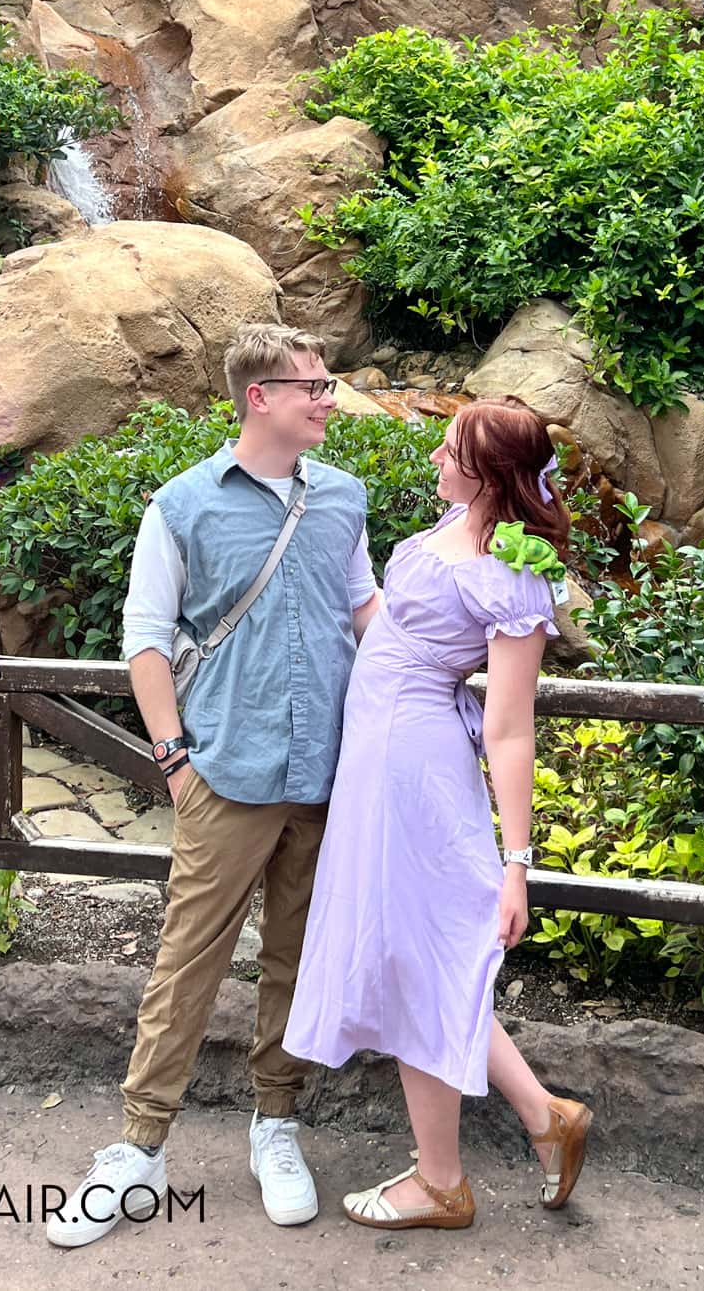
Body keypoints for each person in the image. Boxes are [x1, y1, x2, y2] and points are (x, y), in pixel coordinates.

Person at [46, 323, 381, 1249]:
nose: (327, 396)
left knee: (296, 956)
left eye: (328, 381)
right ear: (257, 396)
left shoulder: (343, 499)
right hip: (226, 773)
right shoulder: (184, 504)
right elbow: (145, 637)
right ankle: (139, 1145)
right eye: (310, 383)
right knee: (188, 958)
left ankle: (278, 1123)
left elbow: (369, 613)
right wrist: (175, 760)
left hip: (327, 770)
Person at [283, 395, 592, 1231]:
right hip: (376, 759)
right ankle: (538, 1119)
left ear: (487, 472)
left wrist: (516, 862)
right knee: (418, 958)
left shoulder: (509, 575)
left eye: (449, 449)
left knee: (426, 958)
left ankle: (446, 1179)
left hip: (411, 769)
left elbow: (511, 726)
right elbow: (391, 622)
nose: (433, 460)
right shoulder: (450, 535)